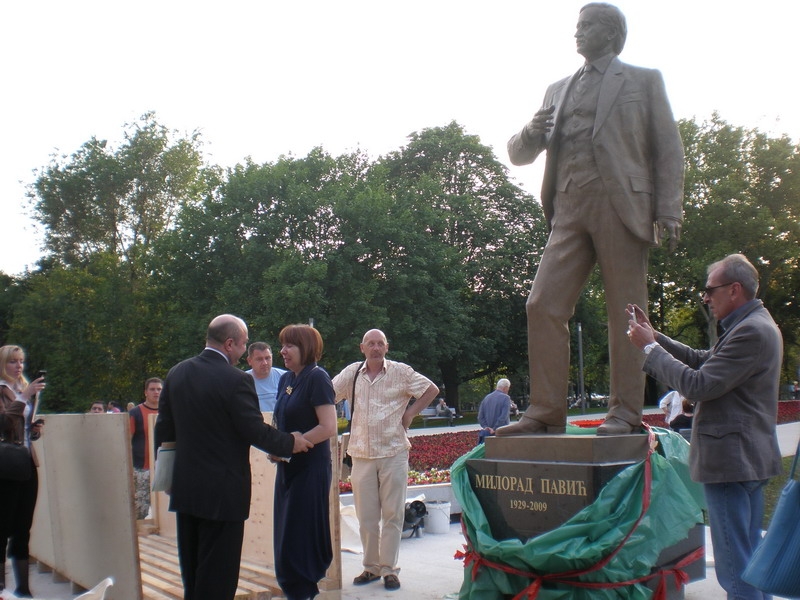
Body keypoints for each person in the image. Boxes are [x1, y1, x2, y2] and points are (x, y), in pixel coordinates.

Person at [499, 3, 684, 437]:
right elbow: (519, 153)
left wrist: (669, 209)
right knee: (542, 304)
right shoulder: (557, 89)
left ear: (611, 33)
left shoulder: (643, 79)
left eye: (586, 27)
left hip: (621, 206)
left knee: (628, 314)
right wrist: (531, 130)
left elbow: (668, 149)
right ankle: (545, 412)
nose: (577, 34)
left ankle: (624, 412)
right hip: (568, 207)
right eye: (577, 26)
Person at [627, 253, 782, 599]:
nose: (706, 298)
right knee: (750, 561)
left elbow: (698, 385)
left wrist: (649, 349)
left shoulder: (751, 332)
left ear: (734, 290)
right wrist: (657, 337)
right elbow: (702, 360)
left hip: (731, 462)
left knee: (735, 568)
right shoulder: (751, 325)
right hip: (745, 459)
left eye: (710, 290)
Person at [154, 314, 313, 600]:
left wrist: (167, 476)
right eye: (243, 344)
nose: (244, 351)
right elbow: (253, 430)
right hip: (222, 494)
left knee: (192, 569)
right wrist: (291, 442)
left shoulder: (177, 372)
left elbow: (165, 430)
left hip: (186, 489)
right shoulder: (236, 380)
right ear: (229, 344)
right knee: (218, 574)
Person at [332, 329, 439, 591]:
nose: (376, 347)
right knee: (366, 516)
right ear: (362, 348)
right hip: (361, 454)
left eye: (380, 343)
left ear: (387, 347)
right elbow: (326, 395)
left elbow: (430, 389)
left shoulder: (401, 372)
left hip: (393, 452)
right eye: (371, 343)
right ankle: (370, 567)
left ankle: (389, 569)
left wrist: (411, 412)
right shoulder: (352, 374)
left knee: (392, 515)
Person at [272, 324, 337, 600]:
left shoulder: (317, 378)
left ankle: (303, 590)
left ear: (306, 348)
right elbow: (281, 420)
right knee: (284, 533)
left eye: (290, 345)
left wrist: (290, 446)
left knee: (299, 534)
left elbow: (328, 426)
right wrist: (277, 445)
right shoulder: (286, 378)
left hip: (310, 469)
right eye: (283, 345)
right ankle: (293, 589)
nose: (283, 351)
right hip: (287, 468)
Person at [0, 345, 45, 597]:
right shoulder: (5, 391)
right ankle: (1, 589)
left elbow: (19, 427)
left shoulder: (21, 389)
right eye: (12, 362)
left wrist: (34, 429)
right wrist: (24, 397)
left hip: (26, 462)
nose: (19, 366)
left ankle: (23, 589)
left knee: (22, 527)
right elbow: (4, 422)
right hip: (5, 466)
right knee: (3, 526)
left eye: (21, 362)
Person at [128, 377, 162, 520]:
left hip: (163, 467)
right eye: (152, 389)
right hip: (142, 469)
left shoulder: (169, 412)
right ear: (145, 392)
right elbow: (127, 439)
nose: (156, 392)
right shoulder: (135, 413)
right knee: (140, 509)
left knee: (164, 513)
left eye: (159, 389)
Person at [246, 342, 287, 412]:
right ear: (249, 361)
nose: (265, 363)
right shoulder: (243, 381)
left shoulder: (285, 377)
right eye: (259, 359)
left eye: (267, 358)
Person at [477, 379, 512, 443]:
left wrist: (486, 427)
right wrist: (494, 428)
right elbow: (504, 416)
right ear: (506, 388)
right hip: (501, 433)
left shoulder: (486, 398)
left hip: (487, 434)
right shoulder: (506, 398)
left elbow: (480, 416)